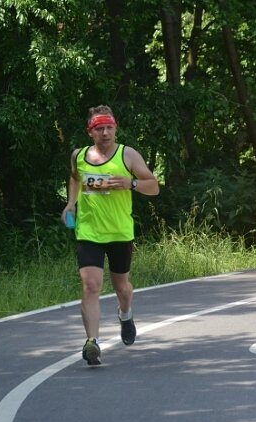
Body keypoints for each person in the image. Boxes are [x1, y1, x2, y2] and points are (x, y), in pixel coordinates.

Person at [61, 105, 160, 365]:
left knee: (122, 288)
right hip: (89, 232)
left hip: (119, 233)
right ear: (90, 132)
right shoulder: (79, 156)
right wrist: (71, 203)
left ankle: (125, 314)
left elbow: (154, 186)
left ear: (115, 128)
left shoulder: (127, 155)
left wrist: (132, 183)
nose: (105, 133)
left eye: (109, 127)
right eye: (99, 128)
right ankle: (92, 343)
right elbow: (74, 178)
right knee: (91, 285)